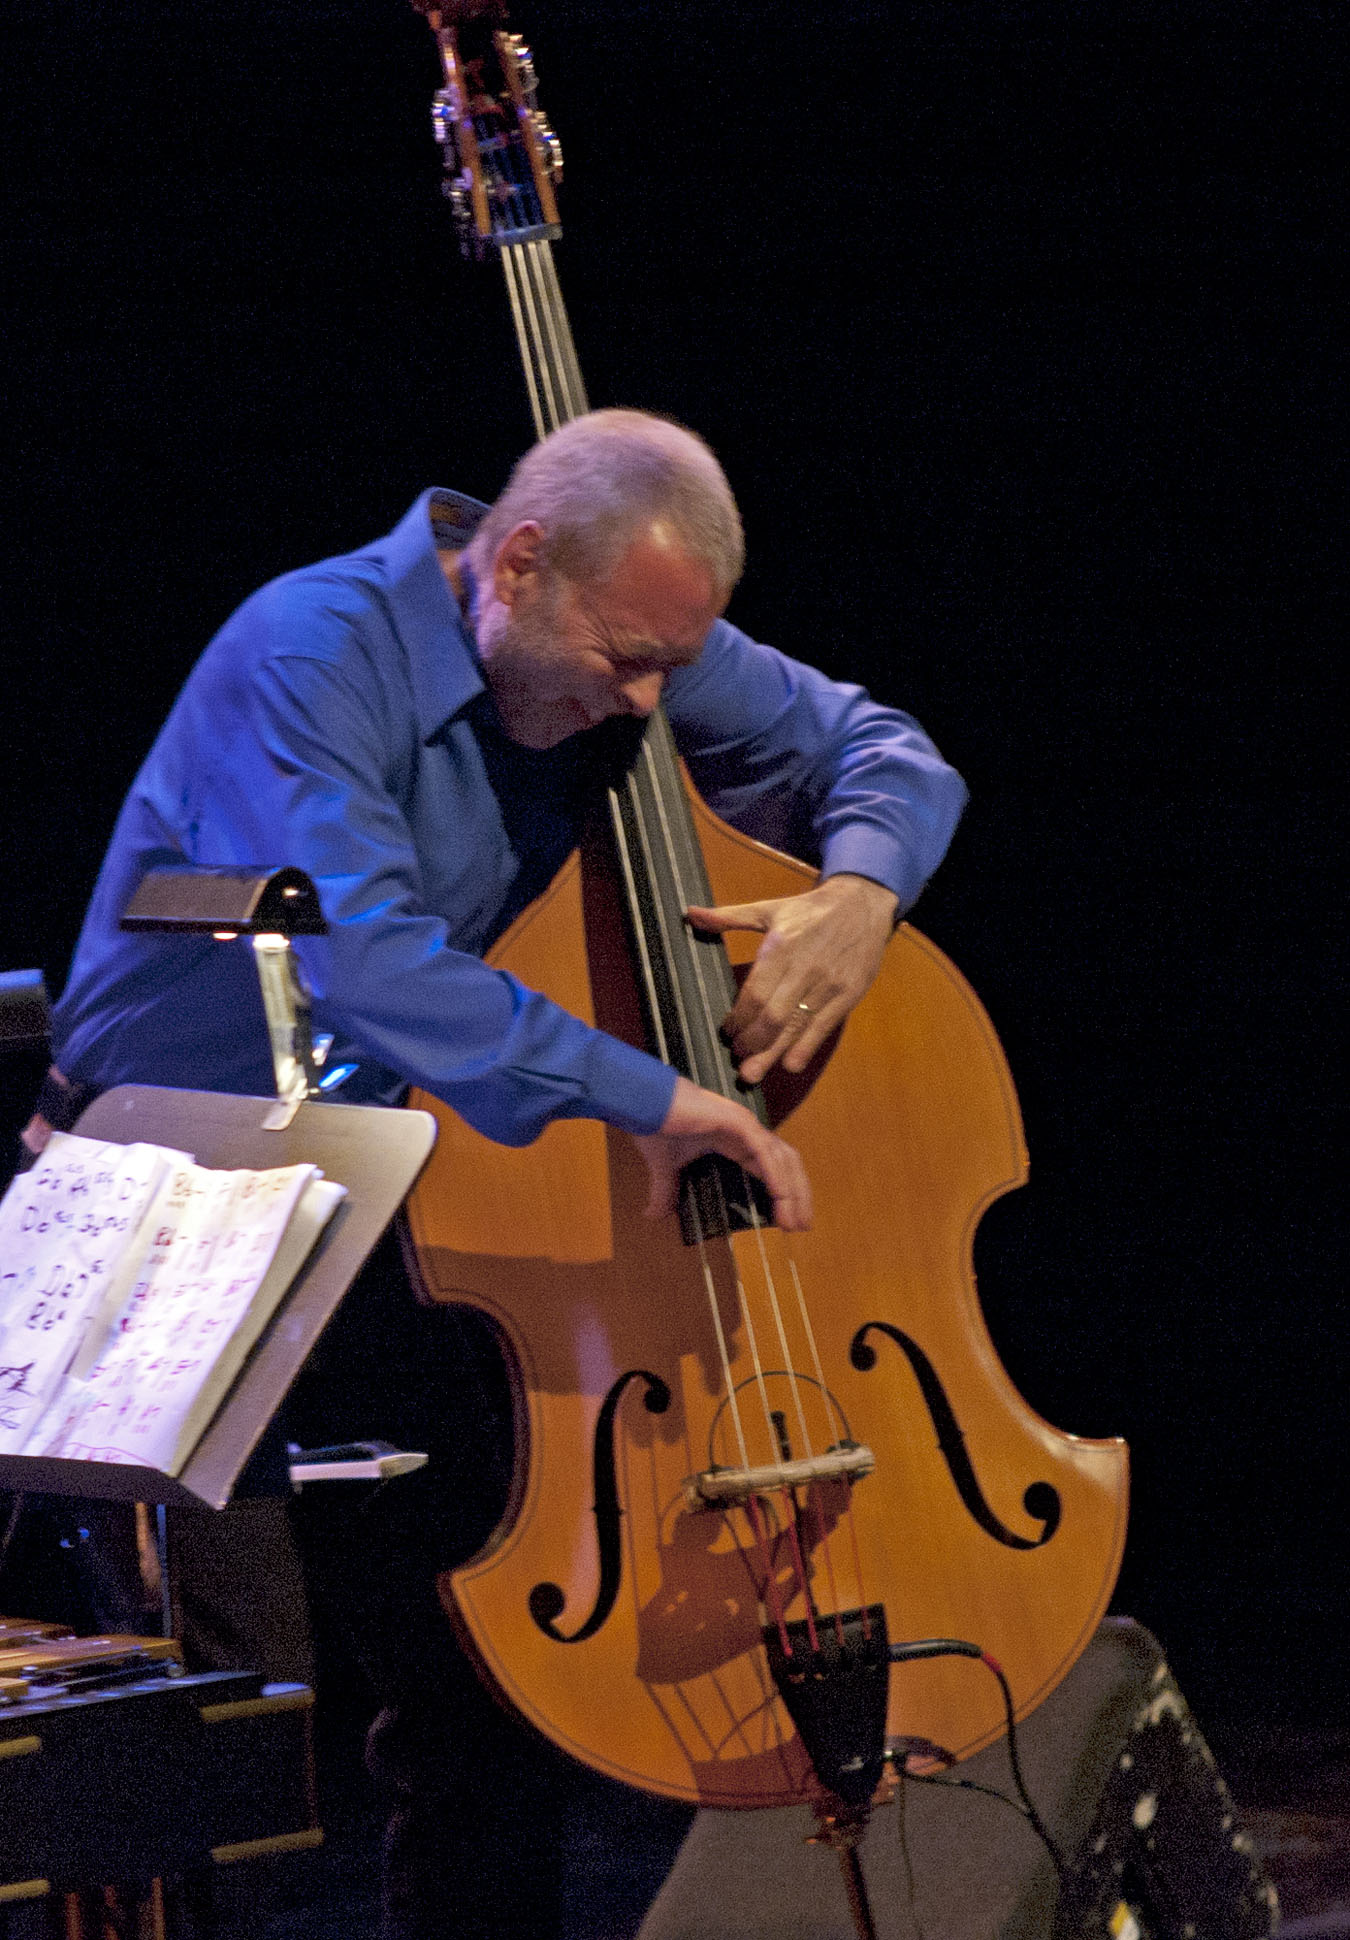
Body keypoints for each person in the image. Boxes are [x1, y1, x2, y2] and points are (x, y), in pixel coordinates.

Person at [33, 410, 967, 1935]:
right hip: (182, 1194)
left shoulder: (625, 626)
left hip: (405, 1198)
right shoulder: (311, 646)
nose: (650, 704)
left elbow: (879, 747)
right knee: (226, 1729)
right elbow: (365, 957)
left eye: (675, 663)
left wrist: (860, 891)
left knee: (478, 1688)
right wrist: (652, 1099)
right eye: (622, 661)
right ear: (517, 563)